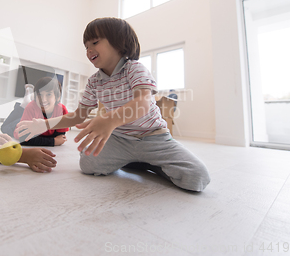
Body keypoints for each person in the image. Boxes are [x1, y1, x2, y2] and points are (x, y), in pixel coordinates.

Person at [16, 17, 210, 191]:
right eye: (86, 46)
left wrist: (109, 120)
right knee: (88, 165)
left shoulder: (134, 69)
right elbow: (78, 116)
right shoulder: (94, 81)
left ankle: (150, 163)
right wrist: (43, 124)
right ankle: (134, 160)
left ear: (119, 44)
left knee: (197, 178)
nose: (88, 50)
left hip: (154, 138)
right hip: (120, 140)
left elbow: (142, 103)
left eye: (94, 42)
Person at [15, 77, 69, 146]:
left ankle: (26, 102)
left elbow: (60, 137)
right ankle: (22, 106)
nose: (43, 99)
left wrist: (39, 139)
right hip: (17, 127)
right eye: (39, 94)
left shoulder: (61, 110)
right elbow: (24, 139)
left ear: (57, 97)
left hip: (32, 119)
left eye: (49, 94)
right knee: (5, 127)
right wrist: (53, 141)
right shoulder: (31, 107)